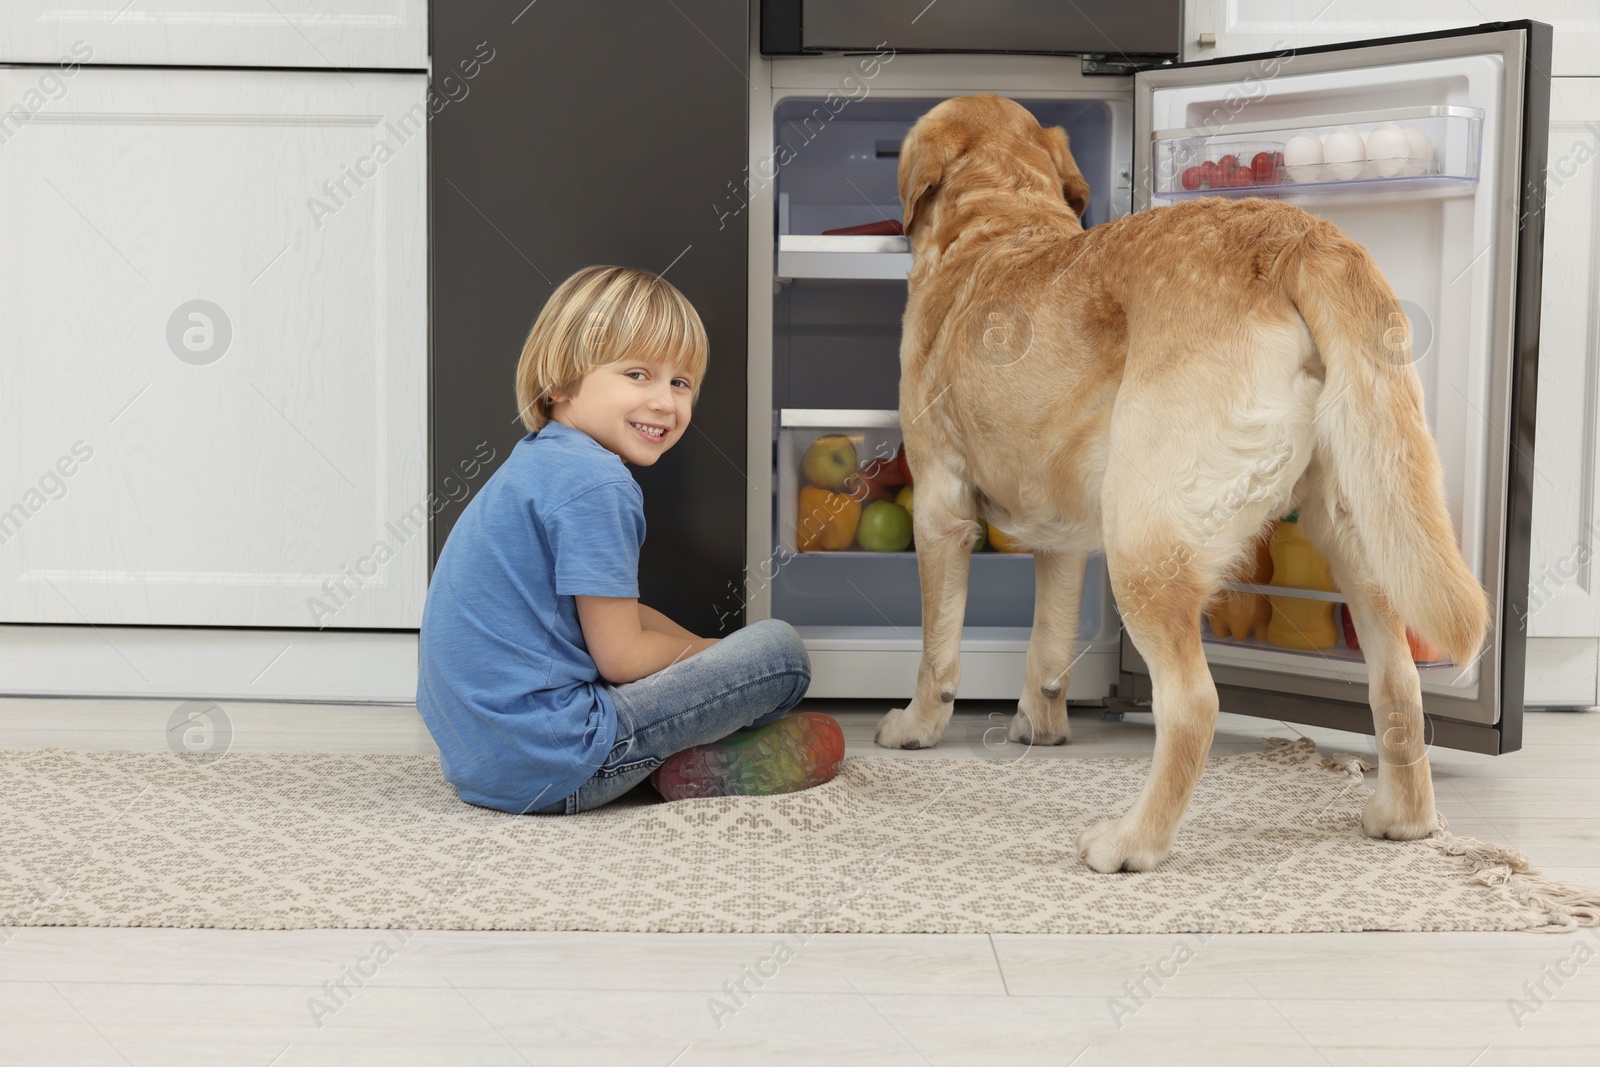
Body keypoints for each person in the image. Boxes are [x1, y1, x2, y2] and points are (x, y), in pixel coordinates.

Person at [416, 265, 843, 815]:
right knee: (781, 655)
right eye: (638, 374)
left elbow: (620, 615)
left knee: (723, 652)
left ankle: (676, 749)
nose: (665, 402)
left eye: (680, 383)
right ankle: (692, 759)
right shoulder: (598, 482)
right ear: (561, 380)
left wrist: (710, 661)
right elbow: (620, 657)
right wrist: (725, 667)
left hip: (483, 766)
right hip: (557, 760)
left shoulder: (541, 461)